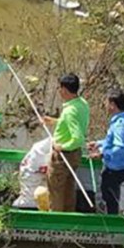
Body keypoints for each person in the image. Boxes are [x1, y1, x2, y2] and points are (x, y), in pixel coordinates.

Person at [43, 73, 90, 212]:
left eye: (60, 88)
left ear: (64, 90)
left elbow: (77, 138)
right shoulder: (82, 103)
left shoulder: (70, 111)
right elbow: (73, 124)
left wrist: (61, 147)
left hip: (63, 157)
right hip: (75, 155)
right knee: (69, 188)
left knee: (56, 191)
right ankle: (69, 214)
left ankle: (56, 221)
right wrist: (54, 122)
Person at [87, 89, 124, 214]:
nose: (105, 105)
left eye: (107, 102)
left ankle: (110, 222)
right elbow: (115, 142)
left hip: (116, 169)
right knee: (112, 195)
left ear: (112, 105)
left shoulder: (120, 125)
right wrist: (99, 143)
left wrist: (102, 154)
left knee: (108, 198)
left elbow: (120, 147)